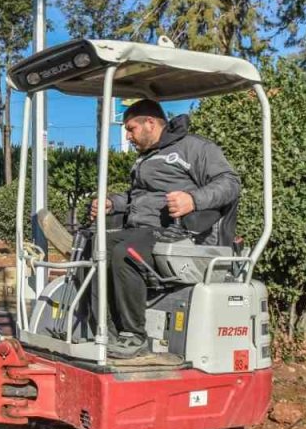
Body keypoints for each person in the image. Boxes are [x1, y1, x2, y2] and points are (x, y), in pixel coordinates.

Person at [88, 99, 240, 359]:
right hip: (142, 229)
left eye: (131, 128)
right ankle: (105, 331)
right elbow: (140, 197)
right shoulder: (146, 158)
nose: (127, 135)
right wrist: (113, 203)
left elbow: (230, 183)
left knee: (126, 253)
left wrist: (193, 200)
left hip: (179, 233)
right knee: (95, 246)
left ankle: (133, 336)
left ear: (150, 123)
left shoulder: (194, 148)